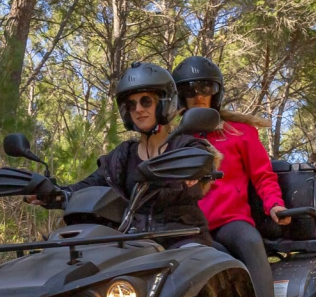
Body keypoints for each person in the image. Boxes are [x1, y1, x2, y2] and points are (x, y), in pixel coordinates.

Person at [172, 55, 294, 297]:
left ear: (217, 91)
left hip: (230, 222)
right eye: (190, 89)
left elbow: (264, 177)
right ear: (179, 95)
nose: (199, 95)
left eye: (206, 88)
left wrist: (275, 205)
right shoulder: (173, 139)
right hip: (185, 226)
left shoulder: (240, 132)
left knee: (250, 243)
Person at [26, 62, 212, 247]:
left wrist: (196, 168)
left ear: (164, 103)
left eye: (146, 101)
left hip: (183, 237)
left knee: (189, 266)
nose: (138, 109)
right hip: (135, 241)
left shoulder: (183, 145)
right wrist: (53, 193)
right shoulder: (122, 157)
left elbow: (202, 157)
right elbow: (88, 186)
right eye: (131, 104)